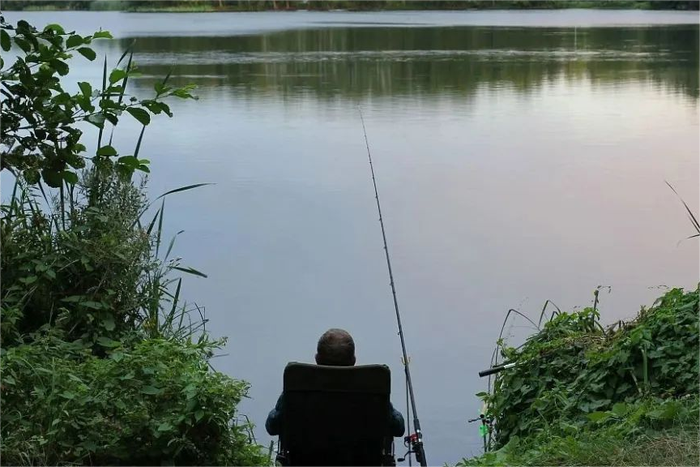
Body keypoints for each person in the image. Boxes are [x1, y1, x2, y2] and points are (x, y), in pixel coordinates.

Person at [265, 328, 406, 437]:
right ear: (353, 361)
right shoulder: (371, 388)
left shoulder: (299, 385)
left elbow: (272, 426)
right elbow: (398, 428)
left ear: (317, 359)